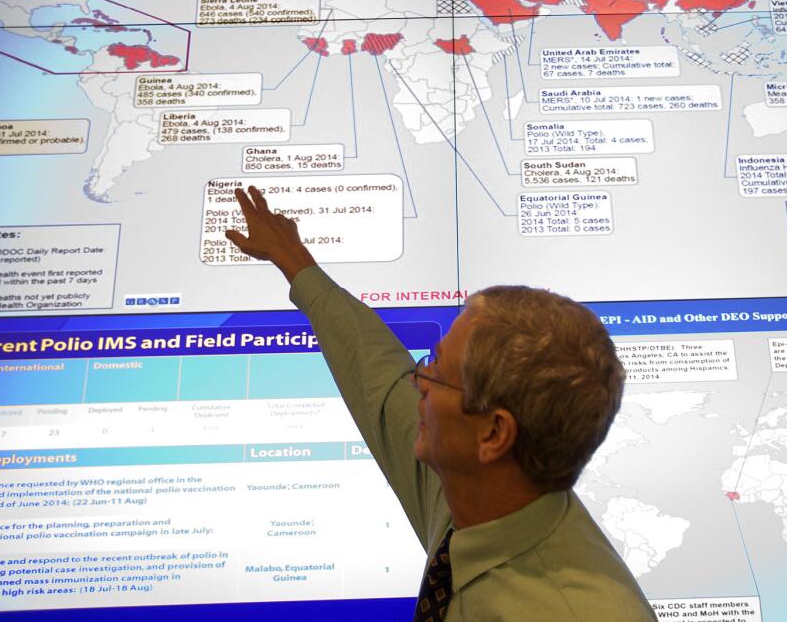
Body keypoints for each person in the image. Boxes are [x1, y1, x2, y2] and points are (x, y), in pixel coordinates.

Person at [226, 186, 656, 621]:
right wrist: (297, 263)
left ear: (493, 433)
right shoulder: (474, 489)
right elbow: (378, 378)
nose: (418, 382)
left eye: (436, 373)